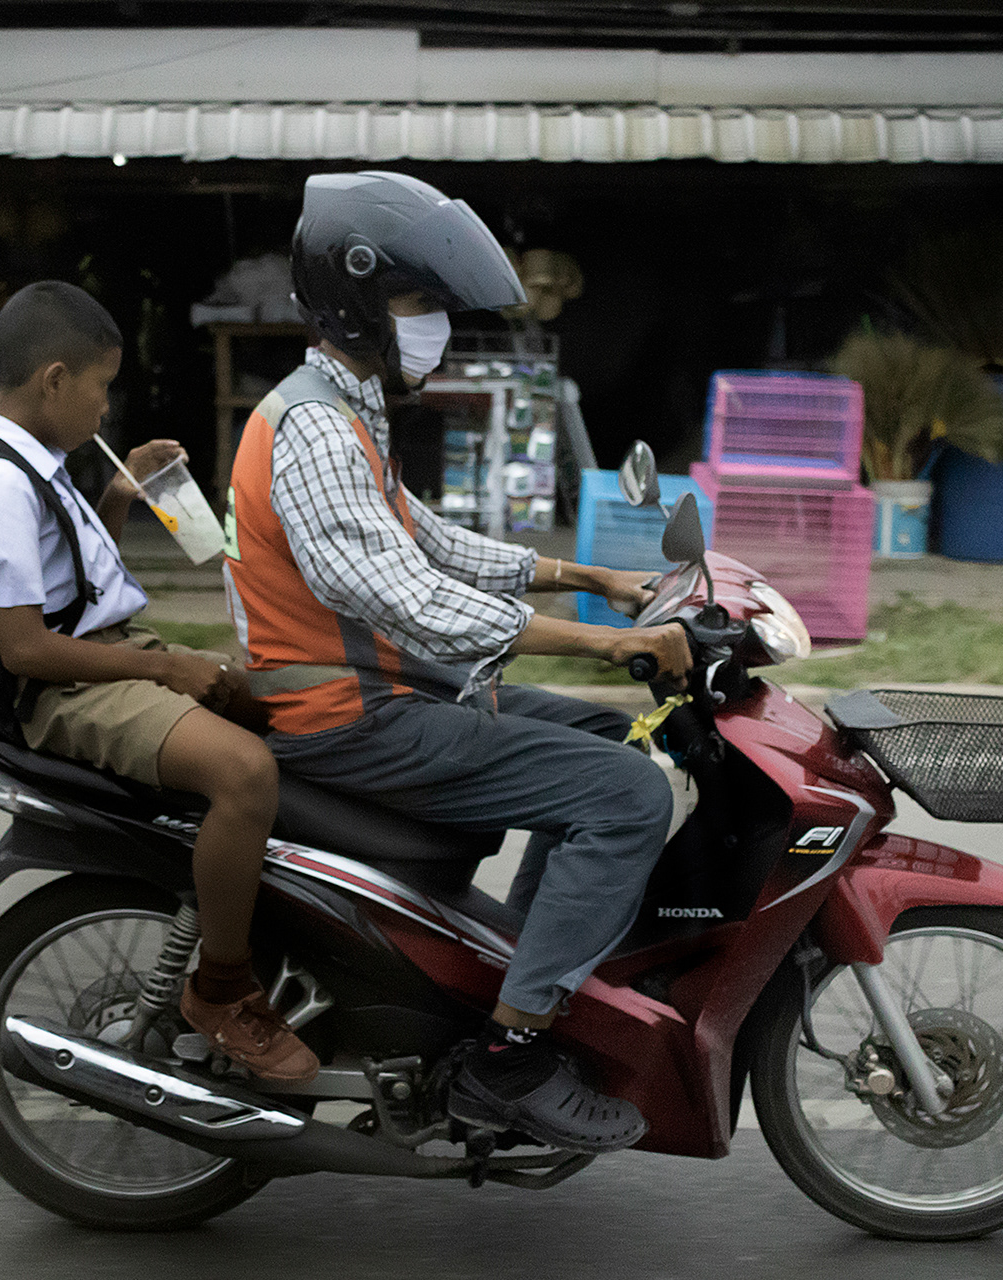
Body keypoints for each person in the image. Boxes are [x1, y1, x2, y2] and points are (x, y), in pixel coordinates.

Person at [222, 172, 693, 1152]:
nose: (433, 325)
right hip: (350, 718)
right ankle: (508, 1056)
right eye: (418, 303)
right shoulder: (312, 426)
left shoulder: (345, 408)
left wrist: (587, 574)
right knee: (629, 795)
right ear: (356, 301)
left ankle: (515, 968)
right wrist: (609, 642)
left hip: (393, 692)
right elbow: (415, 599)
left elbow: (427, 539)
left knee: (615, 735)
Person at [0, 281, 317, 1084]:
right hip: (67, 690)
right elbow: (28, 650)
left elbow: (69, 587)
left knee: (304, 701)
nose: (105, 410)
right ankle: (221, 989)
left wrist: (114, 497)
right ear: (54, 379)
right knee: (245, 774)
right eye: (101, 387)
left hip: (107, 656)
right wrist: (164, 667)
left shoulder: (35, 465)